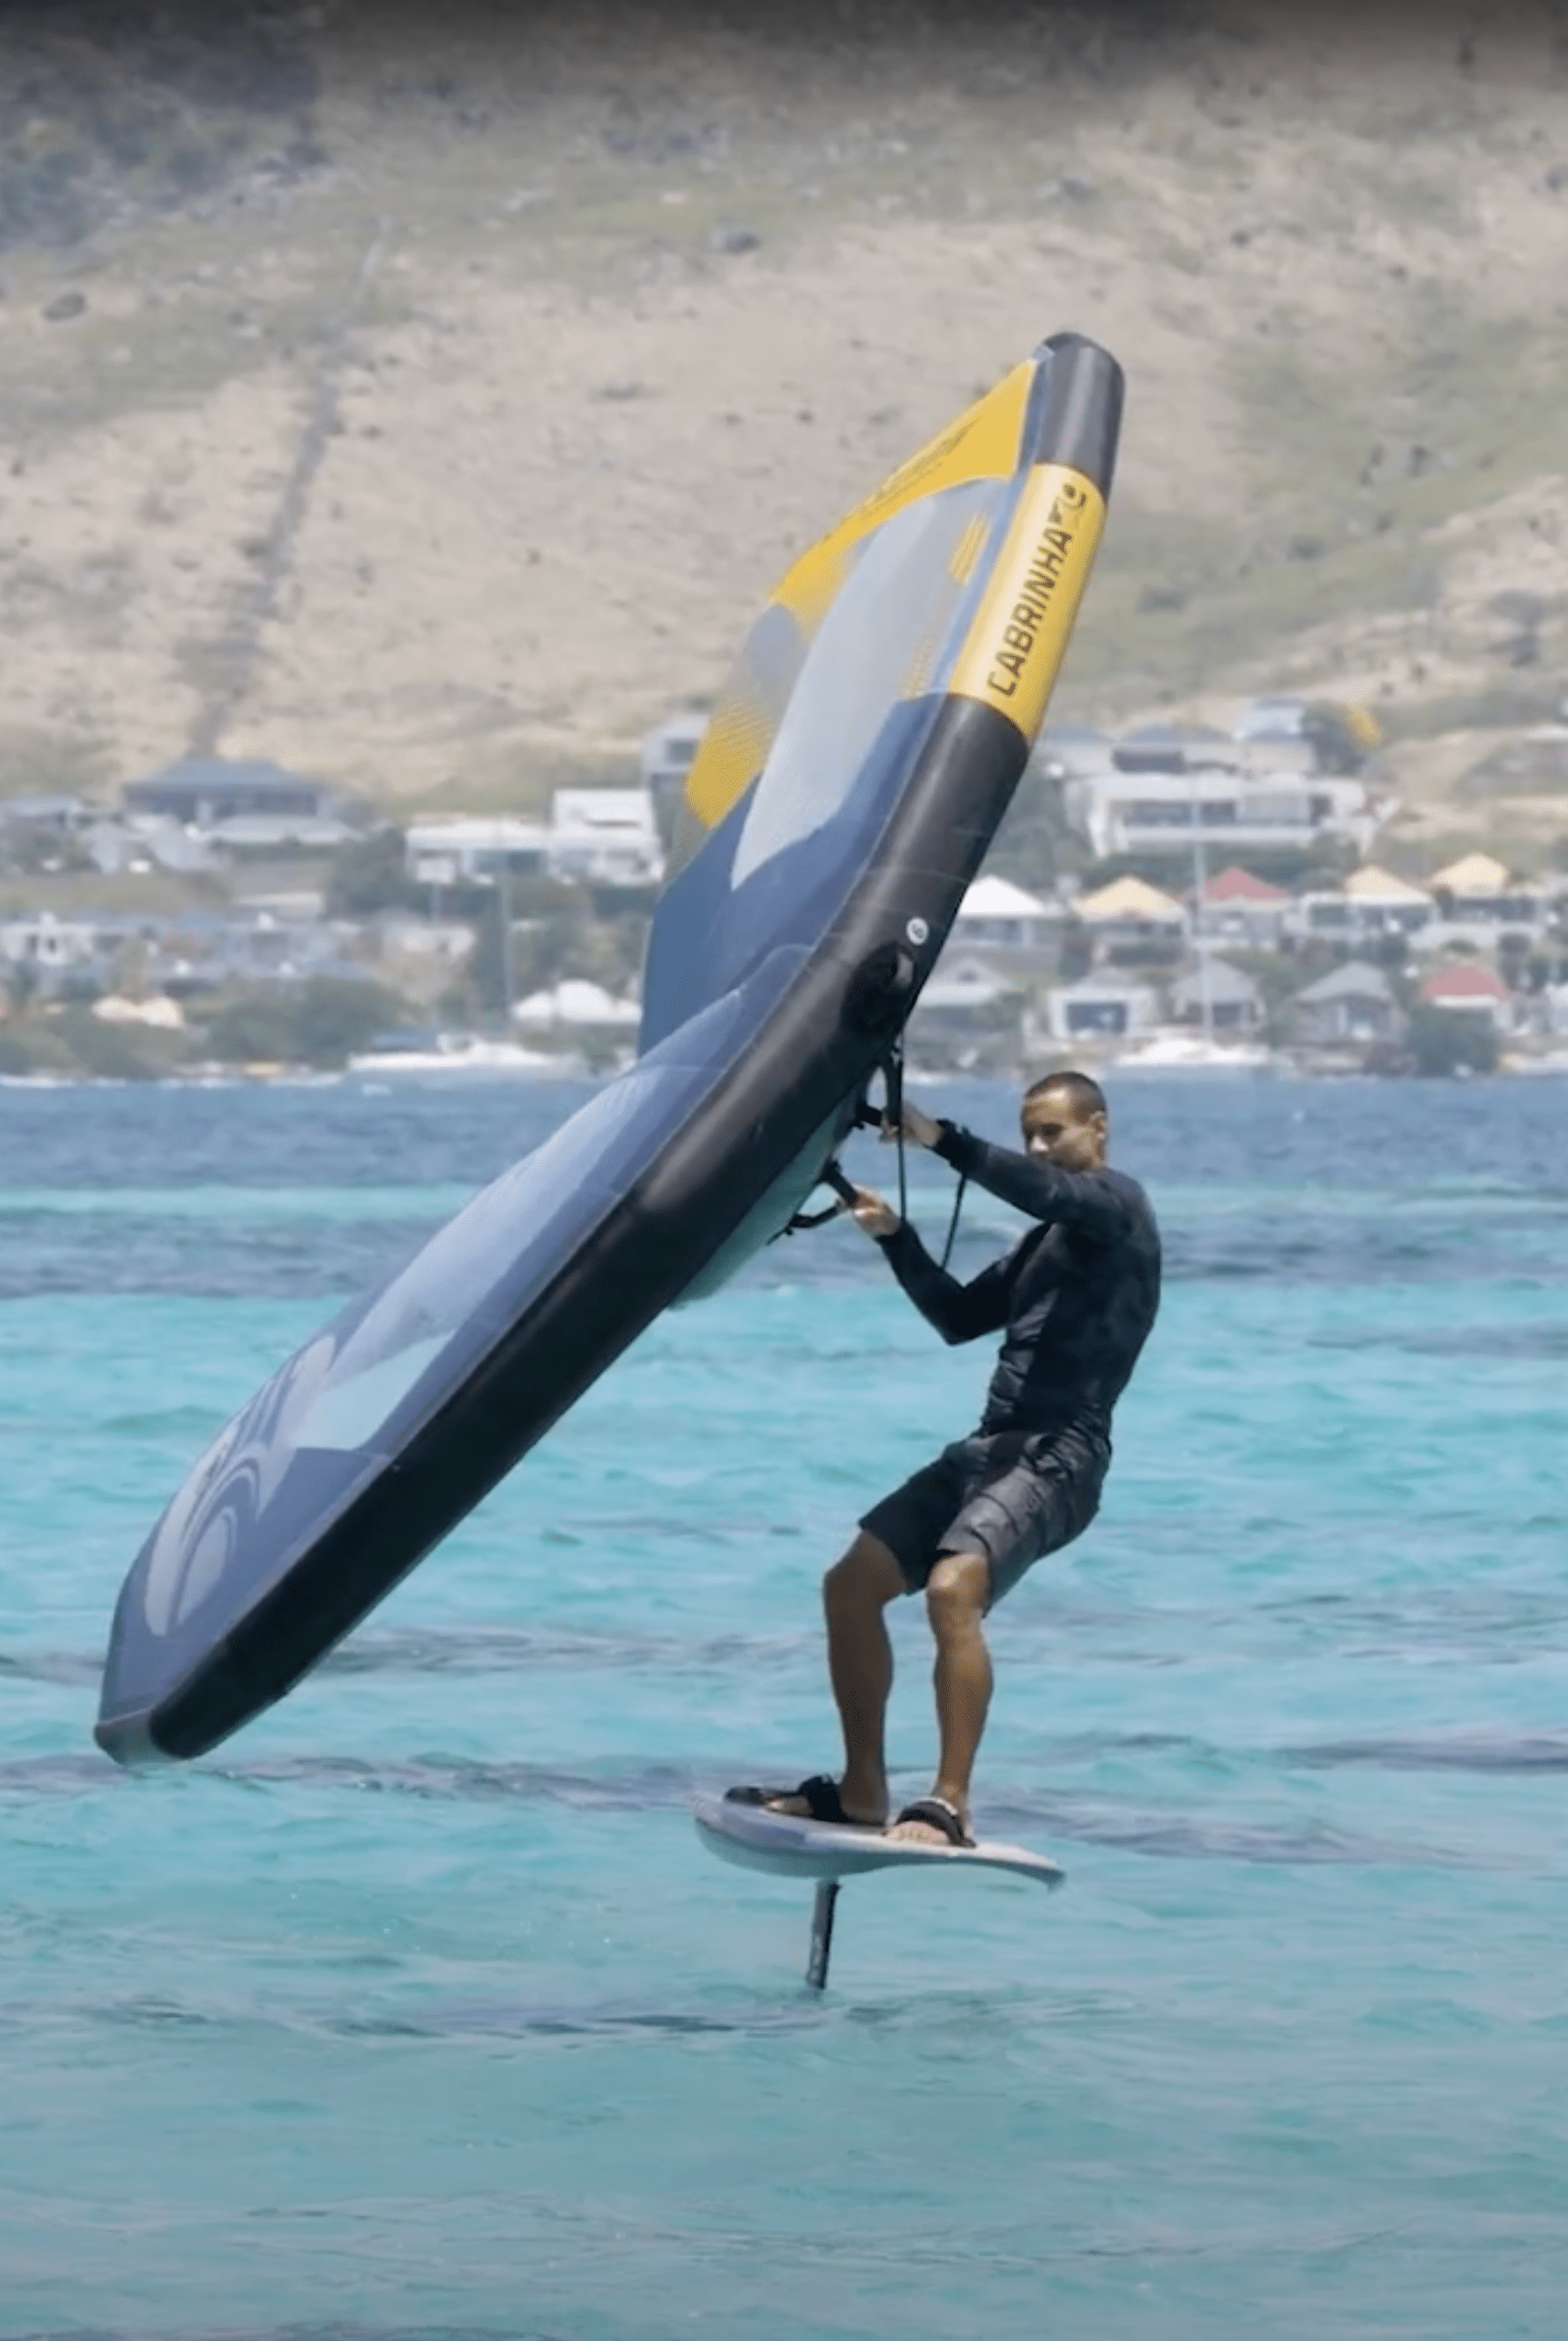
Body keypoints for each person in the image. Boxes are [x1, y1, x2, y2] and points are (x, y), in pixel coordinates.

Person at [734, 1069, 1160, 1849]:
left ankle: (949, 1804)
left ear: (1099, 1128)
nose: (1038, 1145)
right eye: (1028, 1131)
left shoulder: (1117, 1208)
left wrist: (942, 1138)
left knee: (951, 1589)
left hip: (1060, 1457)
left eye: (1053, 1131)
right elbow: (959, 1317)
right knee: (851, 1583)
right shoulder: (1049, 1241)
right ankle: (863, 1790)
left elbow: (1049, 1192)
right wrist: (895, 1236)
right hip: (992, 1447)